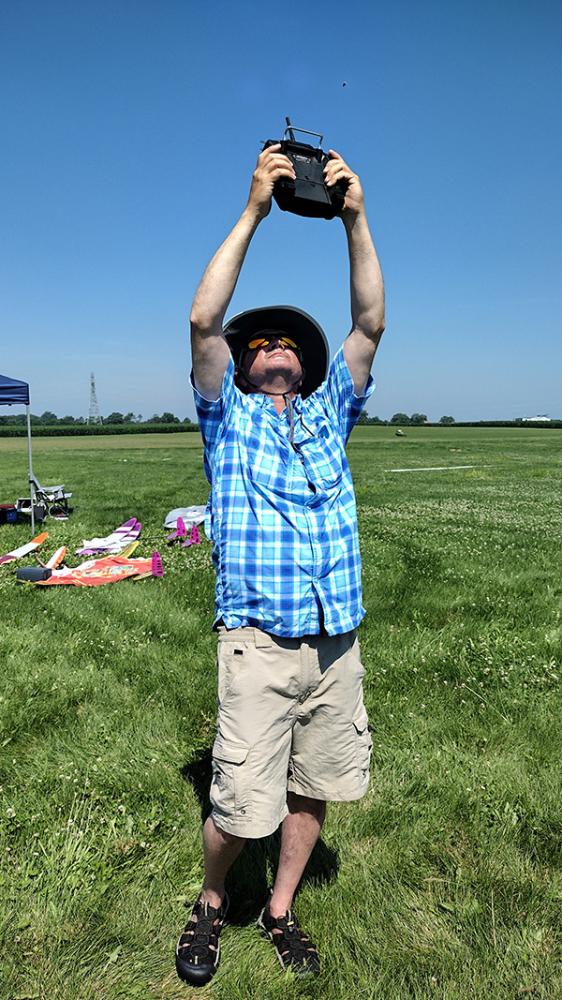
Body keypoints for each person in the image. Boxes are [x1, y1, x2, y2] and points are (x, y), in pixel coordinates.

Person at [176, 143, 385, 986]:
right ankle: (213, 900)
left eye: (286, 340)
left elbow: (369, 324)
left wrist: (356, 219)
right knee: (238, 803)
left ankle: (281, 909)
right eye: (256, 340)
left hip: (337, 642)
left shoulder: (330, 414)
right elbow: (200, 321)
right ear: (242, 361)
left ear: (304, 362)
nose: (272, 346)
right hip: (259, 643)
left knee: (315, 789)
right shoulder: (227, 421)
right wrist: (257, 209)